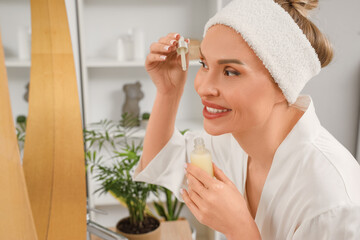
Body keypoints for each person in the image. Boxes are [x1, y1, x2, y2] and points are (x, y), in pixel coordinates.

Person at [133, 0, 360, 239]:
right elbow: (163, 159)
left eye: (230, 71)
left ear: (283, 85)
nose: (203, 87)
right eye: (204, 64)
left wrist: (240, 229)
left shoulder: (331, 203)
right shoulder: (236, 138)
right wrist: (168, 92)